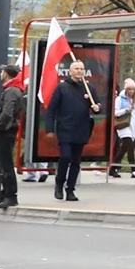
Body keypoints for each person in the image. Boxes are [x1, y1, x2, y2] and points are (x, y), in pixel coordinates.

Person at [44, 60, 96, 204]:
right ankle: (59, 183)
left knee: (76, 161)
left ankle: (70, 189)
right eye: (77, 69)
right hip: (65, 129)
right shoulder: (62, 88)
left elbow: (96, 105)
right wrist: (49, 128)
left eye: (82, 69)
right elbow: (52, 110)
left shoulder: (88, 88)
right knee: (65, 157)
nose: (80, 71)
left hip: (82, 128)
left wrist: (96, 107)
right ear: (70, 71)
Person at [0, 64, 26, 209]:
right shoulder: (14, 89)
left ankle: (11, 195)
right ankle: (4, 194)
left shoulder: (11, 91)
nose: (0, 74)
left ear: (7, 74)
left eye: (2, 71)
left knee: (6, 165)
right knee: (4, 164)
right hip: (8, 130)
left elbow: (7, 112)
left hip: (5, 131)